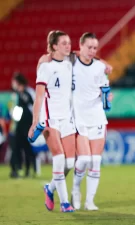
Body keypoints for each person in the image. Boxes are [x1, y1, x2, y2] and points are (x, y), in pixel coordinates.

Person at [29, 30, 76, 212]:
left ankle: (50, 188)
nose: (68, 46)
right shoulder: (45, 67)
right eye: (64, 43)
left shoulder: (69, 65)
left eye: (69, 42)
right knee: (59, 157)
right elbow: (39, 97)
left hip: (67, 118)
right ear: (54, 46)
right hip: (49, 118)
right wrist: (35, 122)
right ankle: (65, 203)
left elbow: (84, 55)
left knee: (70, 163)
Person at [69, 32, 112, 211]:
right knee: (84, 158)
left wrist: (108, 98)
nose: (92, 51)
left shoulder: (100, 68)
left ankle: (90, 201)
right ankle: (76, 188)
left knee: (95, 160)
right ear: (81, 46)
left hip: (97, 117)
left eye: (95, 48)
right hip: (78, 117)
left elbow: (104, 90)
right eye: (89, 47)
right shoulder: (71, 63)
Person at [9, 73, 37, 178]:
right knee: (15, 148)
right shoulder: (15, 94)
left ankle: (29, 170)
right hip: (17, 127)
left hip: (27, 126)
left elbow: (33, 106)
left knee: (27, 148)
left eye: (14, 82)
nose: (13, 84)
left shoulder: (28, 93)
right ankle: (14, 170)